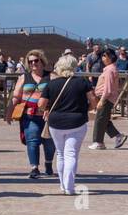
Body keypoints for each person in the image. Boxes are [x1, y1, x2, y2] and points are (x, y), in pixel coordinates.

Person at [38, 55, 98, 196]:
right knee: (71, 154)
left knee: (60, 153)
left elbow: (40, 104)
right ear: (74, 66)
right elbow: (94, 101)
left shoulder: (51, 84)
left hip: (56, 122)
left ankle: (62, 184)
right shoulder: (82, 82)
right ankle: (69, 187)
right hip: (77, 121)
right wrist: (86, 109)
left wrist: (47, 110)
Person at [7, 49, 53, 179]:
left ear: (42, 61)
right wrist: (9, 111)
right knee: (32, 140)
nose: (33, 63)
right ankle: (34, 168)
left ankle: (48, 164)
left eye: (36, 60)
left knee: (49, 143)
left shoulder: (51, 76)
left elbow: (57, 94)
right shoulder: (23, 77)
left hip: (47, 116)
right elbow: (16, 96)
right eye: (30, 61)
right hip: (29, 115)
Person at [89, 48, 128, 149]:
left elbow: (108, 88)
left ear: (111, 57)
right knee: (104, 119)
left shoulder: (110, 70)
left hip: (106, 98)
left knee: (100, 119)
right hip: (105, 98)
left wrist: (102, 100)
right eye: (102, 56)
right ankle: (119, 136)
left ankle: (98, 142)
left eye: (105, 56)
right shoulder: (110, 69)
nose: (103, 58)